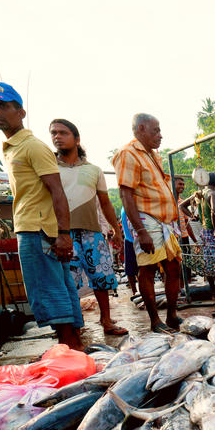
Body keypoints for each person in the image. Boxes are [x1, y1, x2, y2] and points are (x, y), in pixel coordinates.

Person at [0, 81, 83, 350]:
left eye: (2, 105)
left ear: (20, 112)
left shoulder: (32, 146)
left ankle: (68, 350)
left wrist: (63, 234)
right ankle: (73, 348)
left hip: (38, 230)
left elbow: (57, 191)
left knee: (48, 291)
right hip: (36, 228)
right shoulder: (14, 147)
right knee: (58, 288)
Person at [49, 118, 126, 336]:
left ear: (76, 138)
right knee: (67, 280)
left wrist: (117, 230)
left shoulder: (94, 170)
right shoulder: (50, 168)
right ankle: (74, 323)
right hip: (63, 233)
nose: (57, 137)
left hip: (92, 231)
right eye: (54, 133)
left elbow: (105, 203)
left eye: (63, 132)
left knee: (102, 278)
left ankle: (107, 321)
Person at [113, 113, 183, 334]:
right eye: (156, 131)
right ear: (141, 129)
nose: (160, 136)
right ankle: (155, 321)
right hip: (146, 218)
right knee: (148, 268)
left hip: (164, 221)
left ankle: (171, 315)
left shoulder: (153, 155)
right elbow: (126, 194)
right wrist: (141, 231)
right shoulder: (128, 153)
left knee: (174, 266)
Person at [186, 172, 215, 300]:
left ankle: (214, 293)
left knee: (209, 263)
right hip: (213, 232)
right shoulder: (213, 194)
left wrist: (193, 216)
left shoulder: (199, 194)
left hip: (204, 232)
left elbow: (182, 206)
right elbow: (213, 211)